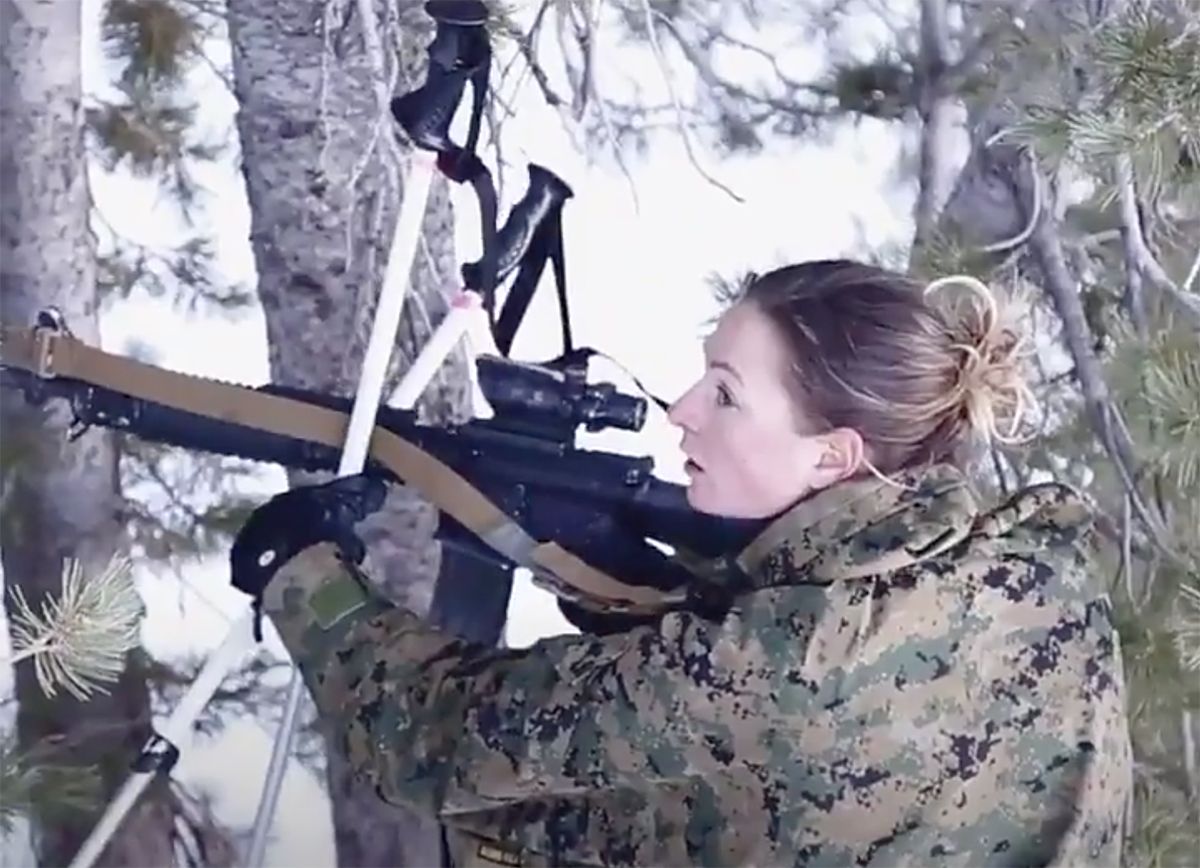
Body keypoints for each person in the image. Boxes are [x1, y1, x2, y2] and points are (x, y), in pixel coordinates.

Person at [229, 259, 1132, 868]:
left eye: (728, 396)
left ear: (834, 457)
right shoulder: (1040, 572)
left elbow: (436, 738)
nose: (683, 411)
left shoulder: (777, 667)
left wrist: (302, 575)